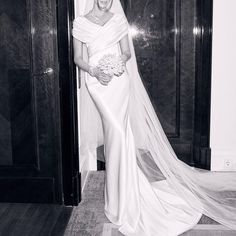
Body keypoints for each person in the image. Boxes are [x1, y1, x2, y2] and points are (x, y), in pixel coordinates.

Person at [72, 0, 236, 235]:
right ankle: (118, 199)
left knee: (120, 134)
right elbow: (78, 58)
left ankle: (122, 198)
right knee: (115, 134)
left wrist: (118, 62)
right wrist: (95, 71)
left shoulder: (118, 20)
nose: (107, 1)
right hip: (97, 84)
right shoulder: (80, 23)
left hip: (119, 81)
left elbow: (126, 51)